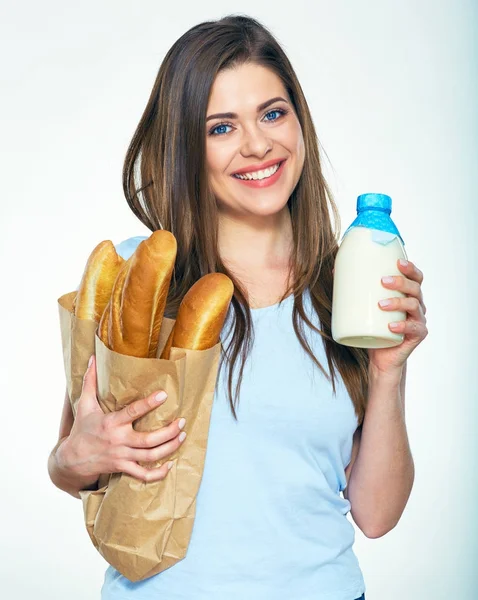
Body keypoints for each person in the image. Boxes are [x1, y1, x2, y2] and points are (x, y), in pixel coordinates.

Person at [48, 14, 428, 600]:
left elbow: (376, 516)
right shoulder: (139, 275)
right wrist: (80, 455)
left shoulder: (345, 288)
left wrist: (390, 369)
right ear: (187, 148)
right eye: (220, 127)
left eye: (272, 113)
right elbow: (70, 467)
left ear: (299, 122)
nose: (257, 144)